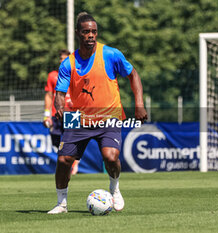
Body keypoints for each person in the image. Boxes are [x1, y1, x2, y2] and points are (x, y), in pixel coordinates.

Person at [47, 12, 147, 214]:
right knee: (63, 160)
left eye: (94, 31)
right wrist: (59, 107)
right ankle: (62, 204)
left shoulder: (110, 54)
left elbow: (133, 74)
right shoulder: (69, 63)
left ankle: (115, 188)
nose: (91, 35)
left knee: (110, 157)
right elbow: (59, 94)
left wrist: (139, 103)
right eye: (86, 32)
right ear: (78, 34)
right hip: (77, 116)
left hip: (109, 114)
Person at [43, 49, 79, 175]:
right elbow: (48, 95)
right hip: (56, 113)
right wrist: (46, 114)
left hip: (72, 113)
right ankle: (67, 163)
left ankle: (73, 164)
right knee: (57, 142)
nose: (62, 60)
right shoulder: (52, 75)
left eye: (65, 58)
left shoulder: (77, 74)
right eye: (61, 58)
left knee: (72, 140)